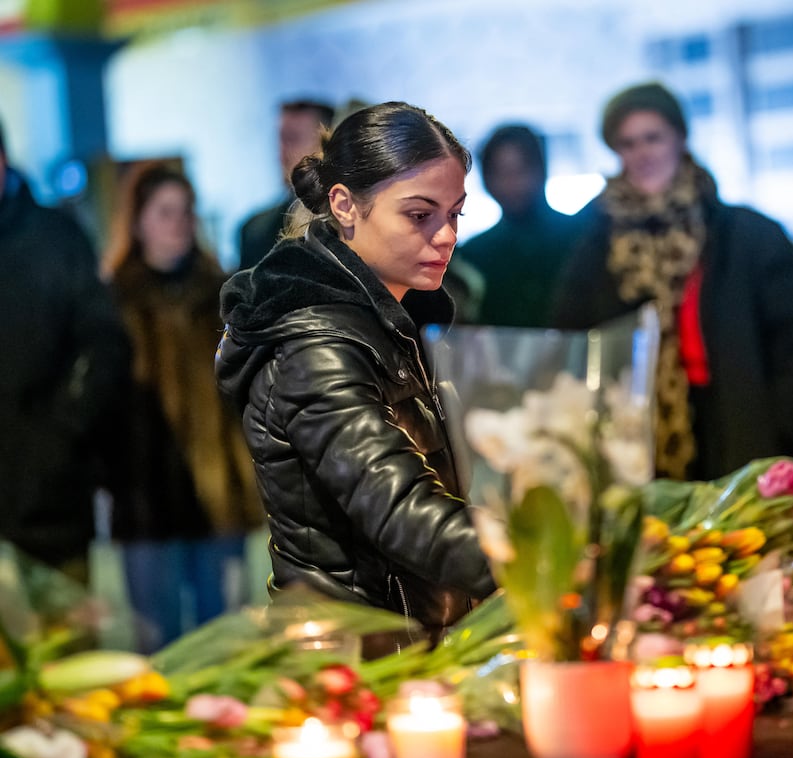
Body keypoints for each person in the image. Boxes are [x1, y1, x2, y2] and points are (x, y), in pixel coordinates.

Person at [216, 101, 497, 642]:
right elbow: (399, 506)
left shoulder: (399, 317)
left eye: (455, 213)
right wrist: (542, 561)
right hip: (357, 656)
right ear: (345, 205)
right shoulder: (315, 344)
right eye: (419, 214)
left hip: (413, 637)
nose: (446, 236)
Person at [552, 82, 793, 481]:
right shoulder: (596, 244)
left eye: (653, 137)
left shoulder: (744, 233)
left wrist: (777, 423)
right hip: (637, 440)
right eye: (627, 143)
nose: (642, 153)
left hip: (740, 426)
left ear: (680, 138)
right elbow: (572, 341)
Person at [102, 161, 264, 651]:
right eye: (164, 212)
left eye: (185, 212)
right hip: (145, 492)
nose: (177, 224)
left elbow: (251, 389)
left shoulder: (225, 295)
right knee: (158, 641)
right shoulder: (113, 302)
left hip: (217, 491)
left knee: (225, 636)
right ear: (137, 221)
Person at [0, 117, 131, 593]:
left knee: (69, 650)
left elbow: (104, 344)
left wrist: (60, 436)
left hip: (49, 500)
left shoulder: (55, 238)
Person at [455, 124, 581, 327]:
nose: (512, 182)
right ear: (486, 180)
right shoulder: (474, 254)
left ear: (541, 169)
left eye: (521, 170)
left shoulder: (582, 237)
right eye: (501, 172)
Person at [237, 99, 336, 270]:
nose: (282, 150)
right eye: (281, 139)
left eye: (293, 138)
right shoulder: (254, 232)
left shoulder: (350, 225)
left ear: (327, 145)